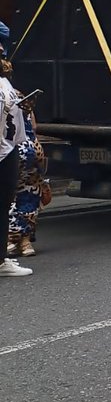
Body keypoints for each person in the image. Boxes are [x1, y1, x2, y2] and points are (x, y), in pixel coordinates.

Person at [0, 60, 33, 277]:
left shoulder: (5, 84)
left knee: (3, 205)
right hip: (3, 149)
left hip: (8, 147)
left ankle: (1, 260)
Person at [7, 91, 46, 258]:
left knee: (12, 197)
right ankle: (23, 240)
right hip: (27, 149)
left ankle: (13, 240)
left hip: (12, 150)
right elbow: (34, 126)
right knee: (28, 196)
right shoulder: (16, 93)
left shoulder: (9, 94)